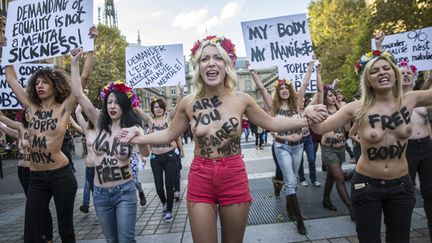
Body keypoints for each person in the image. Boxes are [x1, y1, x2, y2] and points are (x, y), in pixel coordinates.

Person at [116, 35, 327, 243]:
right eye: (204, 59)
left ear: (226, 65)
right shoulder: (188, 102)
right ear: (198, 67)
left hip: (233, 175)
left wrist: (305, 118)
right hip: (200, 176)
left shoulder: (242, 99)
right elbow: (169, 134)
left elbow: (273, 123)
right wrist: (138, 137)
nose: (211, 63)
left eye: (217, 58)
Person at [309, 33, 432, 242]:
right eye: (374, 71)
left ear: (395, 74)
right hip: (366, 186)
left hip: (401, 185)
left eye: (386, 68)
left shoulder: (410, 99)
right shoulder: (356, 108)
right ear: (367, 78)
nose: (382, 73)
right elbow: (320, 128)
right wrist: (309, 113)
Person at [1, 26, 96, 242]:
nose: (40, 85)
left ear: (55, 86)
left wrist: (89, 50)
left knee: (66, 231)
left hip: (61, 176)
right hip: (36, 178)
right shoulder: (31, 107)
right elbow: (11, 80)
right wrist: (5, 52)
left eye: (45, 82)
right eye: (37, 83)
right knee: (31, 234)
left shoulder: (64, 108)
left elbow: (84, 78)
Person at [70, 48, 150, 243]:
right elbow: (78, 94)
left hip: (125, 191)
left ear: (124, 105)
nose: (112, 106)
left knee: (125, 241)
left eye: (117, 103)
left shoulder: (131, 129)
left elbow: (146, 152)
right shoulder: (98, 122)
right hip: (100, 194)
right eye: (109, 102)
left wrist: (139, 132)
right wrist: (74, 63)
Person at [249, 56, 316, 234]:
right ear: (278, 92)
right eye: (281, 88)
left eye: (287, 88)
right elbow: (262, 88)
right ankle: (299, 219)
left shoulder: (297, 104)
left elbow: (304, 85)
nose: (284, 90)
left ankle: (289, 207)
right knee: (291, 180)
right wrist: (253, 72)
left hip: (298, 146)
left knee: (291, 180)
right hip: (282, 147)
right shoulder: (273, 107)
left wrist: (310, 65)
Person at [0, 111, 54, 242]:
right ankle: (36, 233)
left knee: (41, 203)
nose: (28, 115)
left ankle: (48, 234)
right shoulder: (20, 128)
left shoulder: (42, 127)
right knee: (31, 204)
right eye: (27, 113)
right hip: (22, 170)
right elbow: (5, 122)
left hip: (36, 170)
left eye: (31, 112)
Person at [133, 88, 184, 222]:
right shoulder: (150, 120)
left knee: (169, 185)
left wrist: (180, 92)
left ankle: (169, 210)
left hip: (170, 156)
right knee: (158, 186)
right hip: (156, 158)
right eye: (156, 107)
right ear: (153, 108)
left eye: (160, 107)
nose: (158, 109)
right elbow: (138, 110)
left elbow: (178, 106)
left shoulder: (169, 117)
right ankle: (164, 202)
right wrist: (131, 95)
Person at [398, 59, 432, 238]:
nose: (405, 75)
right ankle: (402, 228)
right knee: (406, 192)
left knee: (429, 190)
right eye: (401, 73)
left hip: (426, 146)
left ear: (413, 77)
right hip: (407, 149)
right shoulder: (395, 99)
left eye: (408, 73)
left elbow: (427, 124)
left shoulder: (421, 97)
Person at [72, 105, 96, 213]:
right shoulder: (87, 130)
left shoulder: (104, 130)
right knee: (93, 191)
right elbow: (77, 113)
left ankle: (101, 213)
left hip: (102, 167)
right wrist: (83, 95)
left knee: (101, 192)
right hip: (90, 168)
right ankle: (97, 212)